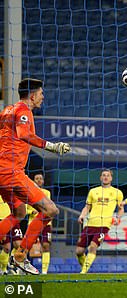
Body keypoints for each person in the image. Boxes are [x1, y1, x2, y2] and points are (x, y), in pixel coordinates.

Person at [0, 78, 70, 275]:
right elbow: (23, 134)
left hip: (2, 171)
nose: (43, 97)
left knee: (19, 214)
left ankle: (18, 256)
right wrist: (52, 146)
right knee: (51, 210)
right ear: (32, 95)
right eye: (41, 93)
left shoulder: (7, 110)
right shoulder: (23, 111)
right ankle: (20, 256)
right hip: (11, 172)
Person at [76, 169, 124, 274]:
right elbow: (87, 207)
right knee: (79, 251)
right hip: (90, 224)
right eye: (103, 175)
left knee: (93, 247)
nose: (106, 177)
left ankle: (83, 272)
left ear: (111, 178)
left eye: (108, 175)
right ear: (100, 178)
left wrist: (118, 218)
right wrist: (82, 215)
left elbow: (121, 209)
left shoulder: (117, 192)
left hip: (104, 225)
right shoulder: (93, 191)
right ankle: (85, 269)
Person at [26, 172, 52, 274]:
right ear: (33, 181)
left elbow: (49, 207)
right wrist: (31, 212)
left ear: (43, 181)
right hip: (32, 223)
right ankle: (25, 268)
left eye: (41, 178)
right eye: (37, 179)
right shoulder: (28, 192)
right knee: (27, 246)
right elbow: (25, 209)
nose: (39, 180)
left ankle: (44, 272)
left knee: (46, 245)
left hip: (45, 223)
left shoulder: (47, 192)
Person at [0, 196, 23, 275]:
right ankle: (3, 269)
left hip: (13, 219)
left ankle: (12, 261)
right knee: (7, 247)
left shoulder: (10, 189)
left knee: (19, 245)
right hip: (1, 220)